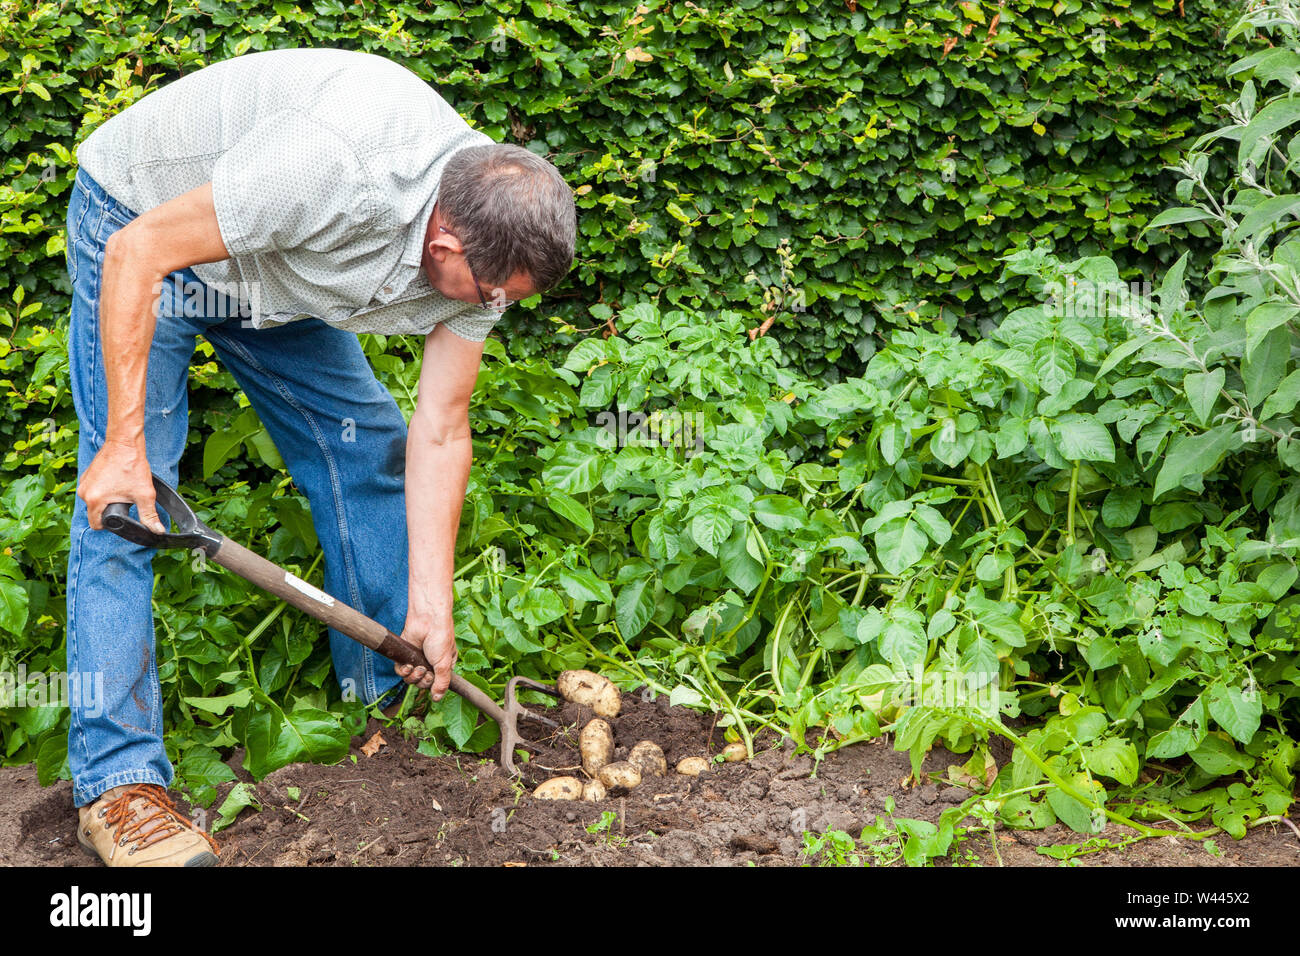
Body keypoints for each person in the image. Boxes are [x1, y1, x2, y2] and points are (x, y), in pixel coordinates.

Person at [64, 47, 576, 866]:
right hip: (145, 223)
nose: (498, 310)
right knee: (129, 504)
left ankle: (382, 710)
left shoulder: (489, 233)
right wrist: (123, 447)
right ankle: (119, 786)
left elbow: (440, 429)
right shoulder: (334, 171)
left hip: (276, 269)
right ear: (444, 237)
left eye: (512, 299)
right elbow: (138, 252)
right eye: (492, 295)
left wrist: (431, 604)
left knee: (369, 448)